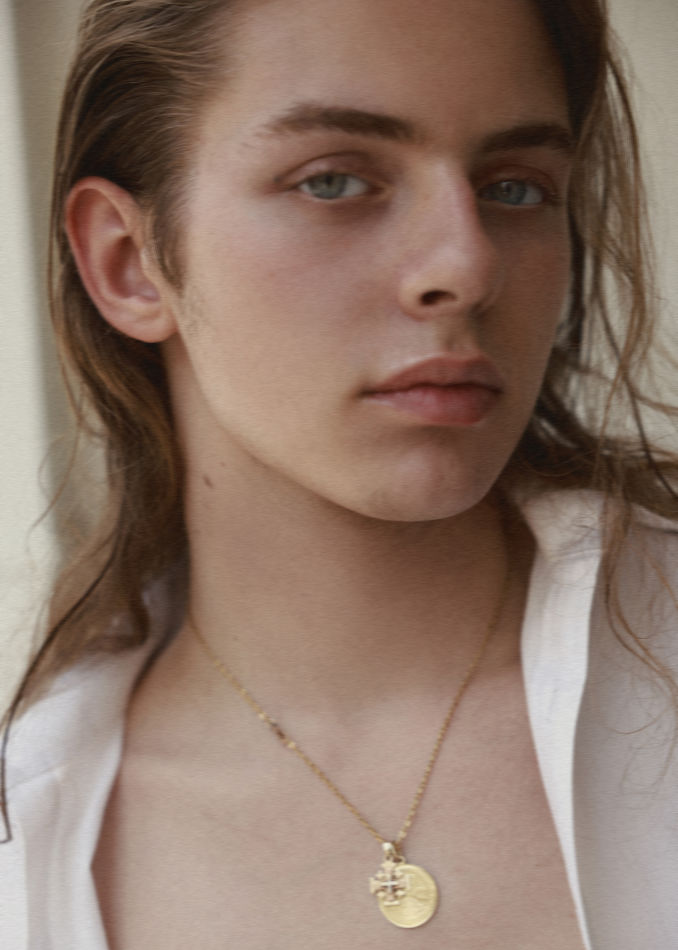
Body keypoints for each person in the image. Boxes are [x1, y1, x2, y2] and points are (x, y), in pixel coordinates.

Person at [2, 0, 678, 947]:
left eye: (515, 187)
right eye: (333, 181)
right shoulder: (32, 852)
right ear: (129, 264)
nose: (466, 265)